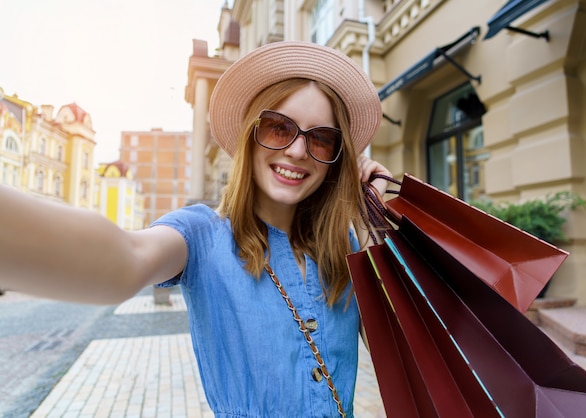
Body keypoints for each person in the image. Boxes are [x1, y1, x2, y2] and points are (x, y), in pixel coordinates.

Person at [0, 41, 391, 417]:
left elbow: (395, 354)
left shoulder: (346, 246)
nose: (297, 151)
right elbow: (125, 260)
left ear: (336, 159)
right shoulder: (203, 235)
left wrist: (371, 220)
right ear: (249, 136)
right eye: (278, 128)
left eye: (321, 139)